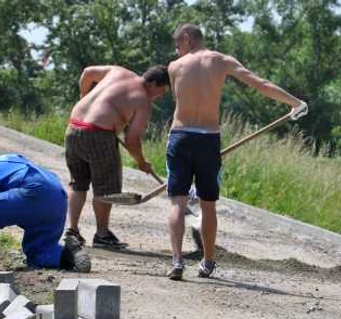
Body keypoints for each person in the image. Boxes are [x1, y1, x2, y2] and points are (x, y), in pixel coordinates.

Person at [166, 23, 308, 280]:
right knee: (208, 205)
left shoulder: (174, 67)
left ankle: (177, 261)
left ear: (187, 39)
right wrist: (295, 103)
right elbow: (261, 84)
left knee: (178, 200)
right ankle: (207, 262)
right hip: (209, 138)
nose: (177, 52)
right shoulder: (221, 61)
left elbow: (180, 102)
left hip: (180, 136)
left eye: (178, 45)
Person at [63, 65, 169, 249]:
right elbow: (132, 140)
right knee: (106, 188)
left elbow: (87, 73)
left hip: (73, 128)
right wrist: (141, 162)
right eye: (162, 90)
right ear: (152, 83)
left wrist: (83, 96)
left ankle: (72, 231)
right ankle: (102, 234)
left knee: (77, 183)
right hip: (99, 135)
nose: (161, 96)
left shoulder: (118, 71)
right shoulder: (142, 100)